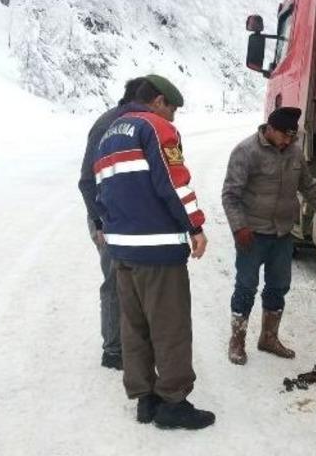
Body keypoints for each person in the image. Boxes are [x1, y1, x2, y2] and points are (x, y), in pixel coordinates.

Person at [94, 74, 215, 430]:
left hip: (123, 251)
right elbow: (174, 183)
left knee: (135, 327)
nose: (173, 117)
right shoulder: (154, 127)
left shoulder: (108, 135)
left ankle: (144, 399)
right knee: (170, 327)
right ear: (158, 101)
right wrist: (196, 225)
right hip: (158, 250)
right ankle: (173, 403)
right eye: (172, 108)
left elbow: (101, 193)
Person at [221, 106, 316, 365]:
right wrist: (239, 227)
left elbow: (309, 187)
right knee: (246, 287)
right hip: (252, 234)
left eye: (292, 137)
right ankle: (237, 340)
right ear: (270, 129)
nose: (288, 141)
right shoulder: (246, 151)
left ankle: (268, 337)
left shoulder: (294, 153)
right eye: (284, 136)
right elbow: (230, 194)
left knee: (278, 286)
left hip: (283, 234)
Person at [78, 77, 146, 371]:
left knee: (131, 281)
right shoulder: (108, 125)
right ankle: (114, 350)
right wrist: (99, 221)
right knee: (114, 281)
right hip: (107, 218)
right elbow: (86, 180)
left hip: (126, 217)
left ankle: (130, 342)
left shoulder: (135, 124)